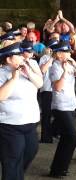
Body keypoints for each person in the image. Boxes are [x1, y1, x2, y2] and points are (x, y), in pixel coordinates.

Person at [0, 42, 43, 180]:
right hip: (10, 125)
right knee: (12, 160)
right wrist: (14, 78)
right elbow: (1, 96)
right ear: (8, 59)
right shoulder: (2, 73)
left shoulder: (26, 69)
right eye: (18, 54)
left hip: (30, 123)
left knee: (30, 152)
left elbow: (39, 84)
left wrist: (28, 72)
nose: (23, 56)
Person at [48, 41, 76, 177]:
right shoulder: (55, 67)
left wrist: (74, 64)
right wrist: (65, 72)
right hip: (60, 106)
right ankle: (58, 168)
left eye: (69, 52)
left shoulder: (70, 64)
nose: (68, 54)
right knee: (72, 137)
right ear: (58, 54)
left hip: (70, 104)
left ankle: (59, 168)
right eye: (65, 52)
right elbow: (57, 87)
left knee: (67, 137)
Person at [38, 39, 59, 143]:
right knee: (47, 114)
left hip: (57, 89)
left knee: (59, 113)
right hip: (47, 88)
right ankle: (46, 136)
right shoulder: (45, 57)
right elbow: (42, 70)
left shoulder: (60, 58)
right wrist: (51, 59)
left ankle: (54, 131)